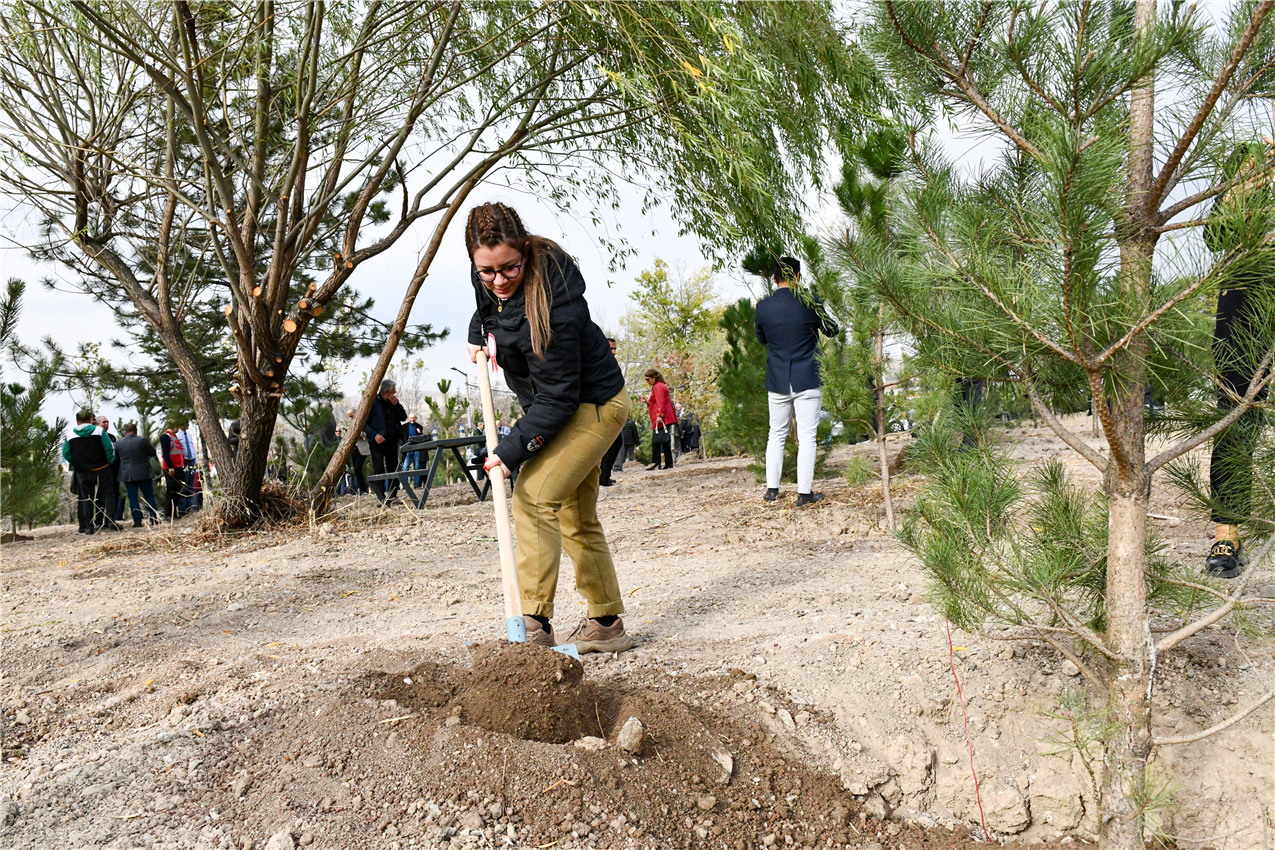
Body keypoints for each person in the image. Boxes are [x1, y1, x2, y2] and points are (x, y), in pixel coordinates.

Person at [464, 200, 635, 653]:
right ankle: (606, 624)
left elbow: (559, 398)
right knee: (575, 515)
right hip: (557, 404)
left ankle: (533, 626)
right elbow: (489, 308)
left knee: (534, 497)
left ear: (524, 250)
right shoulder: (489, 278)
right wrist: (477, 334)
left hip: (592, 405)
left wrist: (510, 451)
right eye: (487, 271)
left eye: (509, 268)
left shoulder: (555, 302)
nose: (499, 280)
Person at [1202, 142, 1275, 578]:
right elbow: (1215, 238)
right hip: (1246, 303)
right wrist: (1246, 185)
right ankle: (1226, 532)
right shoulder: (1249, 158)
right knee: (1236, 415)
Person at [755, 256, 839, 506]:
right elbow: (832, 329)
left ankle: (772, 491)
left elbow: (761, 339)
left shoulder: (763, 307)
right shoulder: (810, 302)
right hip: (808, 377)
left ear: (774, 279)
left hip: (778, 378)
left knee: (776, 434)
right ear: (798, 277)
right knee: (807, 436)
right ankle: (804, 494)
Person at [62, 410, 117, 534]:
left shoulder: (70, 435)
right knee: (108, 495)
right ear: (89, 420)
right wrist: (109, 462)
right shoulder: (99, 431)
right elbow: (108, 448)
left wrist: (76, 463)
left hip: (83, 471)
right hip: (102, 468)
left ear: (77, 421)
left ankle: (89, 527)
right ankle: (111, 521)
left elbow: (66, 453)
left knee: (87, 499)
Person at [365, 379, 407, 503]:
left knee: (393, 468)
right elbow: (364, 424)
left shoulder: (393, 403)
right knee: (379, 468)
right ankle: (381, 497)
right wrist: (374, 435)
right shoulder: (372, 402)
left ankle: (393, 495)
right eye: (393, 390)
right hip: (376, 442)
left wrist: (397, 404)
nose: (395, 392)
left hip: (392, 441)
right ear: (387, 390)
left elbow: (403, 417)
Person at [115, 423, 160, 527]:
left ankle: (137, 521)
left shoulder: (119, 443)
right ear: (136, 431)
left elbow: (117, 458)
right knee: (148, 495)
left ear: (125, 432)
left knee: (132, 497)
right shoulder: (142, 441)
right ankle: (154, 518)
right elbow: (153, 452)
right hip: (143, 472)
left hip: (127, 474)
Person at [599, 338, 625, 486]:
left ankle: (604, 476)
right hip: (602, 409)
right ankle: (602, 478)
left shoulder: (611, 365)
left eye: (615, 349)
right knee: (612, 443)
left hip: (612, 409)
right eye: (611, 349)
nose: (614, 352)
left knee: (616, 442)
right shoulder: (598, 364)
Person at [644, 369, 677, 470]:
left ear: (654, 378)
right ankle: (668, 462)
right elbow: (656, 402)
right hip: (664, 417)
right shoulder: (660, 386)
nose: (647, 382)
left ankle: (656, 462)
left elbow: (661, 402)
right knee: (664, 440)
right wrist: (647, 402)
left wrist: (659, 415)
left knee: (656, 440)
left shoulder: (658, 386)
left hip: (661, 418)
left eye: (648, 379)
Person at [98, 415, 126, 523]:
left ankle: (110, 519)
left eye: (107, 422)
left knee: (114, 492)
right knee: (101, 494)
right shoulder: (97, 437)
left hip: (114, 467)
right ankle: (99, 520)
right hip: (103, 467)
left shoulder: (111, 437)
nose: (106, 424)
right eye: (104, 422)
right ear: (98, 424)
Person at [159, 423, 186, 518]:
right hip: (171, 468)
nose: (178, 429)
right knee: (172, 491)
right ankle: (169, 513)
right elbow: (166, 453)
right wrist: (170, 467)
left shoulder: (174, 436)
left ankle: (174, 512)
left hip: (178, 467)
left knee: (177, 491)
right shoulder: (166, 437)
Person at [345, 408, 371, 494]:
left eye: (352, 416)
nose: (351, 418)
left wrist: (354, 434)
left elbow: (365, 434)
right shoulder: (351, 424)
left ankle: (364, 488)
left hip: (362, 449)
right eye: (349, 417)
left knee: (358, 468)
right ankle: (360, 488)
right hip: (354, 449)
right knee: (356, 470)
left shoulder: (364, 421)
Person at [177, 421, 199, 512]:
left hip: (191, 461)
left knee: (191, 485)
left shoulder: (189, 435)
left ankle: (190, 506)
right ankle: (183, 507)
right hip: (184, 462)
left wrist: (196, 460)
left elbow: (192, 447)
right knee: (184, 485)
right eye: (186, 423)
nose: (188, 425)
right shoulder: (178, 435)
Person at [404, 414, 425, 487]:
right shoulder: (404, 427)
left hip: (416, 448)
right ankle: (405, 485)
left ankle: (417, 485)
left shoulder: (419, 427)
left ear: (416, 418)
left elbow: (421, 437)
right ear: (408, 418)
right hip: (407, 448)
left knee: (417, 467)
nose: (412, 419)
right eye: (411, 418)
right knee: (405, 467)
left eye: (413, 418)